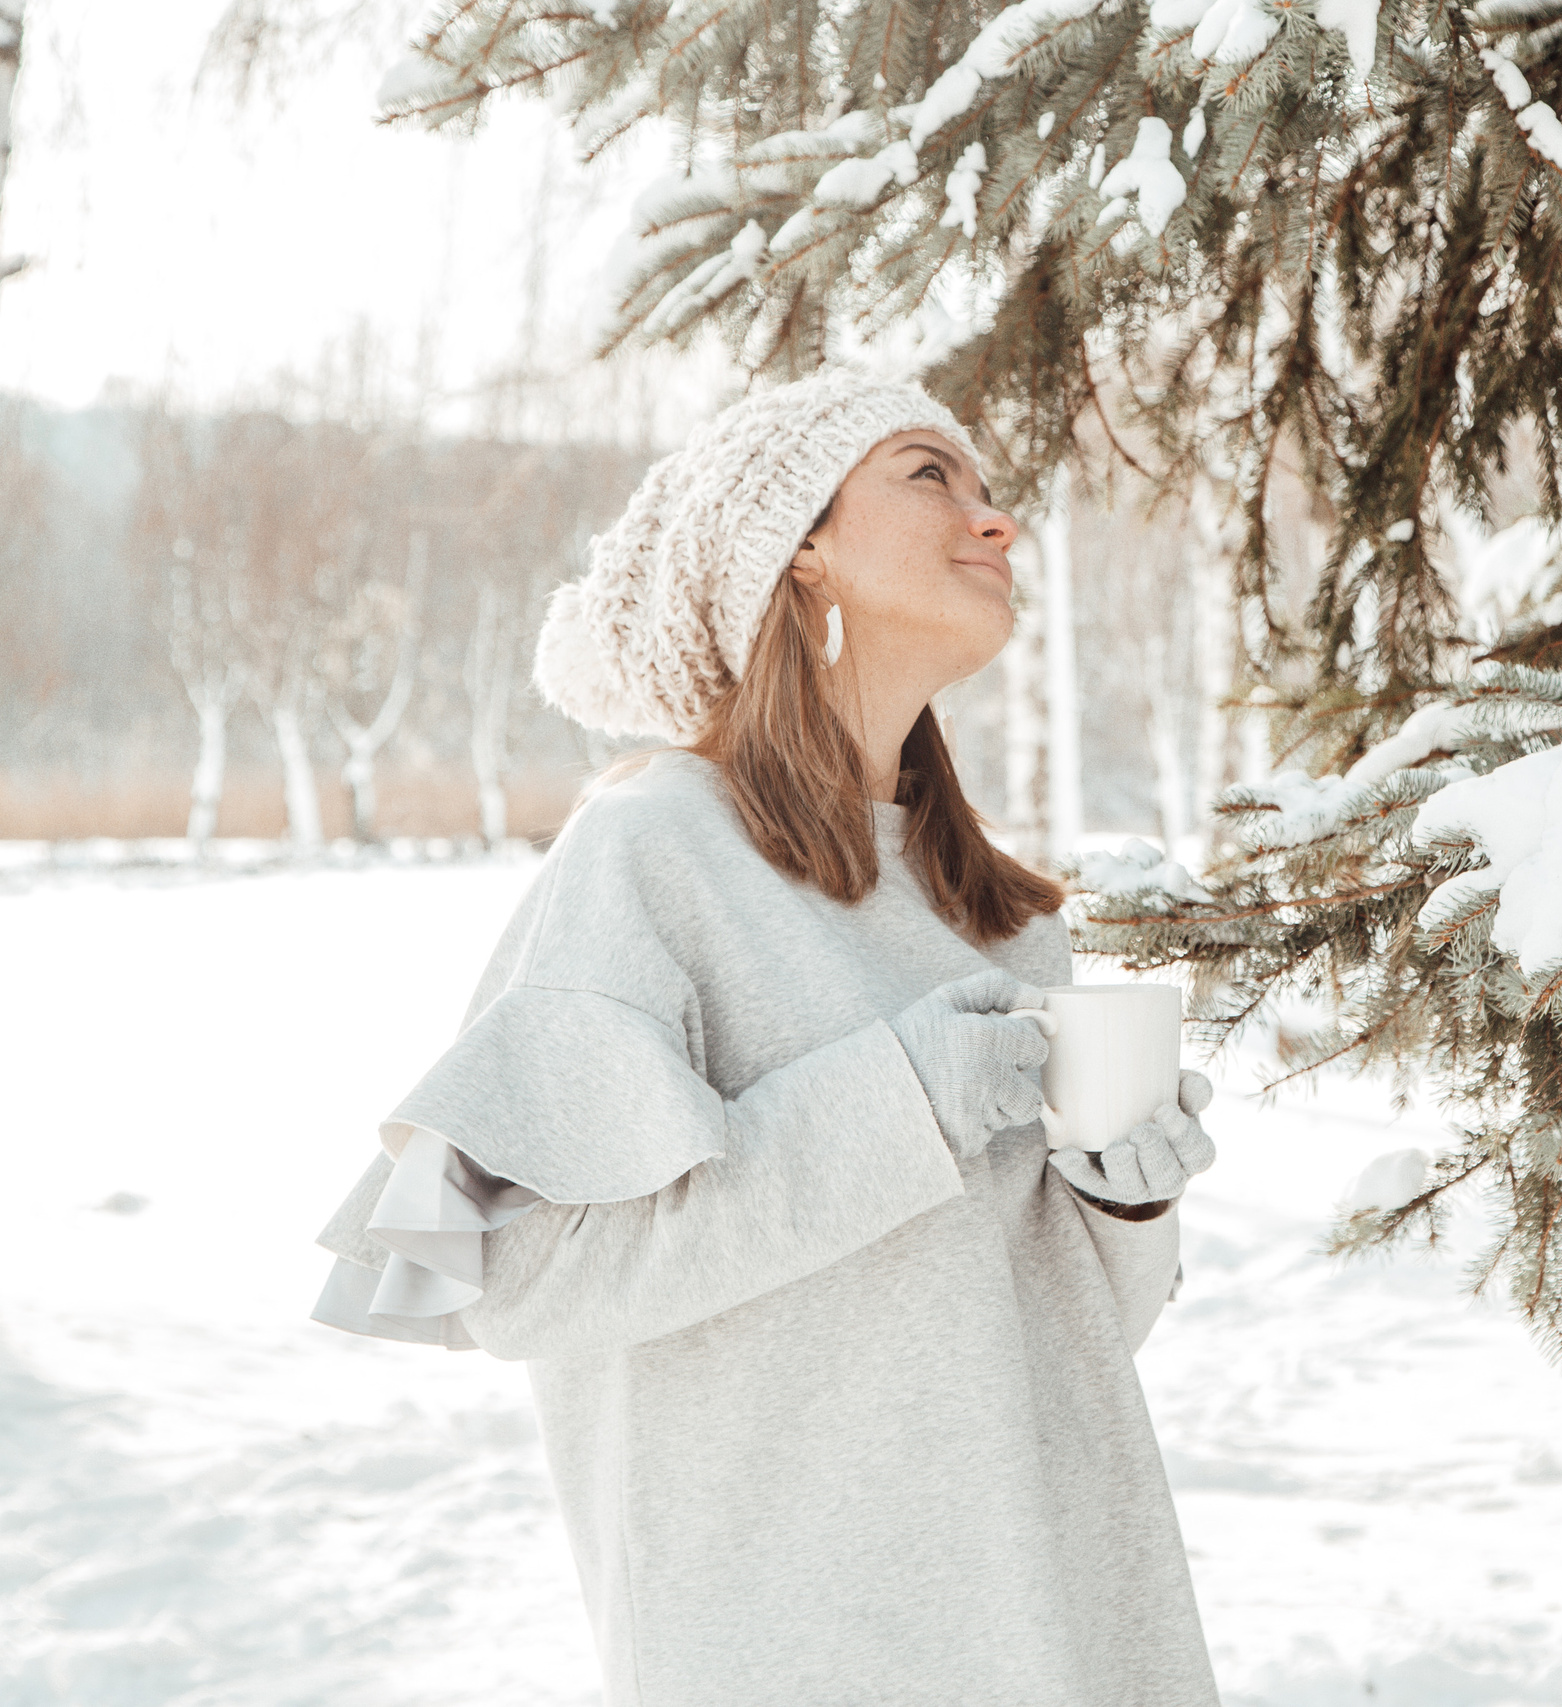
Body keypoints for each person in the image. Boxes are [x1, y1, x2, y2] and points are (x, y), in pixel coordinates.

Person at [307, 373, 1224, 1706]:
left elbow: (1036, 1339)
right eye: (930, 476)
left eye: (983, 486)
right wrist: (897, 1105)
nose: (994, 520)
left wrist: (1125, 1212)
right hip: (797, 1645)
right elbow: (508, 1273)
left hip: (1067, 1628)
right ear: (799, 544)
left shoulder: (1000, 916)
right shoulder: (651, 856)